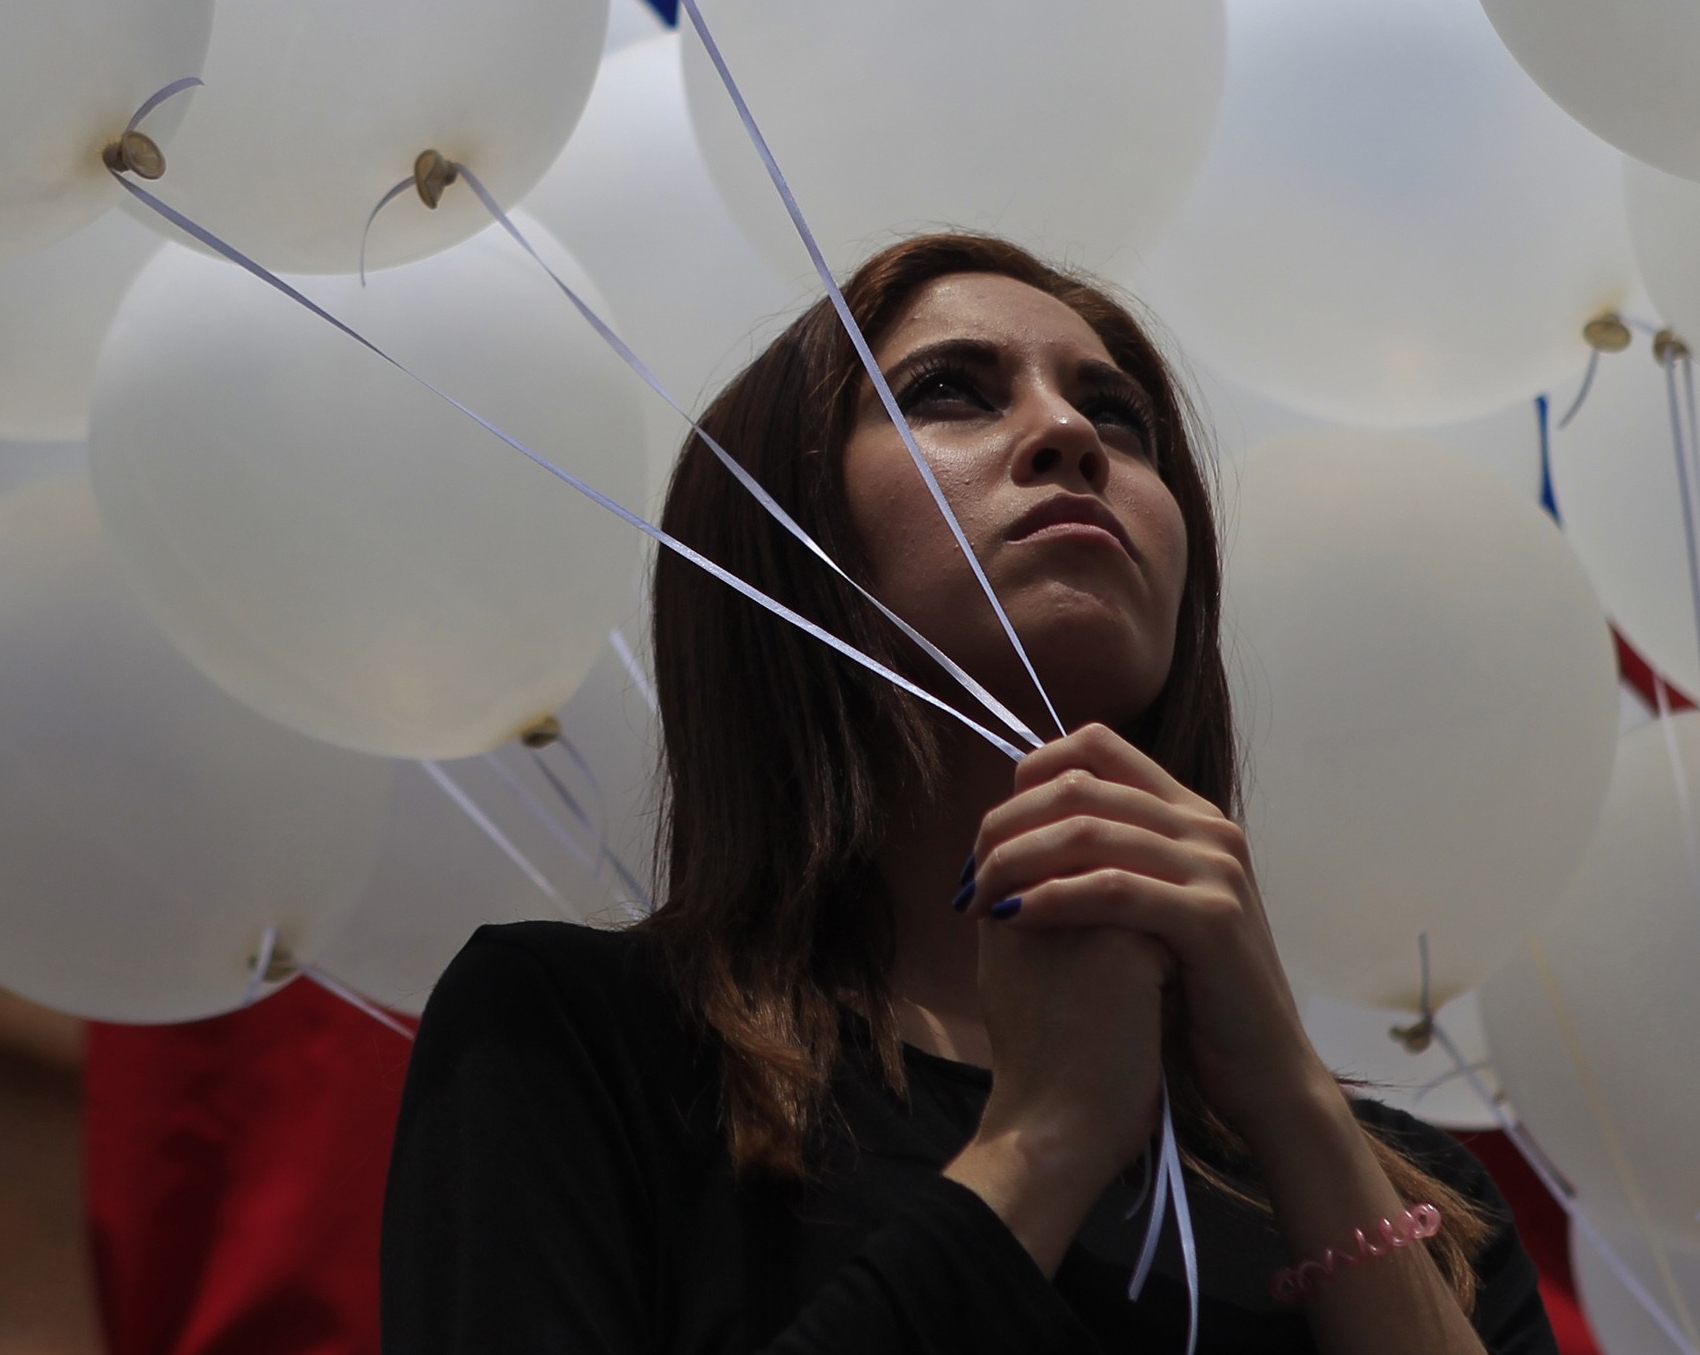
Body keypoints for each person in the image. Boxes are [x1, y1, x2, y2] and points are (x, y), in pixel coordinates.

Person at [383, 232, 1557, 1353]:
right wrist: (1041, 1146)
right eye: (950, 390)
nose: (1067, 435)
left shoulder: (1427, 1197)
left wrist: (1292, 1108)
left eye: (1118, 415)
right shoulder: (579, 1045)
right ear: (779, 534)